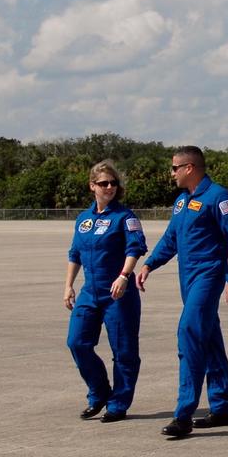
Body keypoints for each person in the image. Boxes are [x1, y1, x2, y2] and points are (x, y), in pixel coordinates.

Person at [136, 146, 228, 438]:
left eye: (174, 168)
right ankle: (222, 407)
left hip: (209, 276)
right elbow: (171, 238)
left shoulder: (219, 197)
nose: (171, 173)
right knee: (209, 338)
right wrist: (150, 264)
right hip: (187, 278)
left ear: (189, 168)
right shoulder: (182, 202)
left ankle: (183, 413)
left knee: (189, 333)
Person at [64, 161, 148, 423]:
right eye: (103, 183)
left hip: (117, 292)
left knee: (123, 351)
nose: (110, 187)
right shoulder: (84, 219)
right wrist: (68, 285)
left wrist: (124, 276)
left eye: (113, 183)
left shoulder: (125, 217)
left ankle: (119, 403)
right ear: (92, 186)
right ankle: (99, 392)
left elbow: (135, 248)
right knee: (77, 342)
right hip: (90, 290)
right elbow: (75, 253)